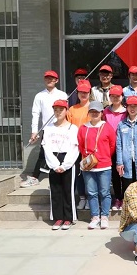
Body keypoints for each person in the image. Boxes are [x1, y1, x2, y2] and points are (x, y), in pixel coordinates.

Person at [21, 70, 68, 188]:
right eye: (47, 78)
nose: (49, 80)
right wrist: (34, 131)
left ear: (56, 80)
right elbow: (35, 114)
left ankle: (61, 179)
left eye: (52, 78)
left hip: (62, 129)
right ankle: (35, 177)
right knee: (43, 154)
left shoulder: (63, 95)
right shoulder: (39, 96)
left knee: (61, 154)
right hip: (47, 130)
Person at [78, 101, 116, 230]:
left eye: (97, 112)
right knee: (91, 192)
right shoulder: (83, 128)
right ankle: (95, 216)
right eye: (92, 111)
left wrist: (103, 156)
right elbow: (81, 145)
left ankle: (104, 216)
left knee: (105, 192)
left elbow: (112, 145)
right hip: (88, 166)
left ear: (101, 113)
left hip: (104, 165)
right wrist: (88, 158)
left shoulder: (107, 127)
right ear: (88, 113)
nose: (94, 114)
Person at [43, 99, 79, 230]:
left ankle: (68, 218)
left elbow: (75, 147)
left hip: (68, 159)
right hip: (53, 160)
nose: (58, 112)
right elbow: (46, 147)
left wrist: (65, 165)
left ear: (66, 111)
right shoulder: (48, 128)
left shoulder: (73, 128)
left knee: (68, 190)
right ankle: (58, 217)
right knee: (55, 190)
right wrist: (54, 164)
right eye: (56, 110)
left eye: (61, 110)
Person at [115, 96, 137, 211]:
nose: (132, 109)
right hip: (126, 161)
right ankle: (129, 211)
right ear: (127, 107)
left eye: (135, 106)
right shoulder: (121, 124)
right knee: (128, 187)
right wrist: (119, 162)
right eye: (130, 106)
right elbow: (119, 145)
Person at [66, 79, 92, 210]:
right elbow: (68, 127)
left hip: (89, 147)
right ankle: (82, 197)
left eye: (86, 92)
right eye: (81, 92)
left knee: (90, 173)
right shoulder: (72, 109)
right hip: (75, 147)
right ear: (77, 93)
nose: (83, 94)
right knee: (79, 173)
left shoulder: (94, 108)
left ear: (90, 92)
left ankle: (90, 198)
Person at [103, 85, 127, 211]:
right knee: (115, 174)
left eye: (118, 96)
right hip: (109, 147)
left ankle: (126, 198)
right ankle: (118, 197)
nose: (115, 98)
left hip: (124, 146)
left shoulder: (126, 111)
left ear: (122, 97)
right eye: (112, 96)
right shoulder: (105, 111)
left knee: (125, 173)